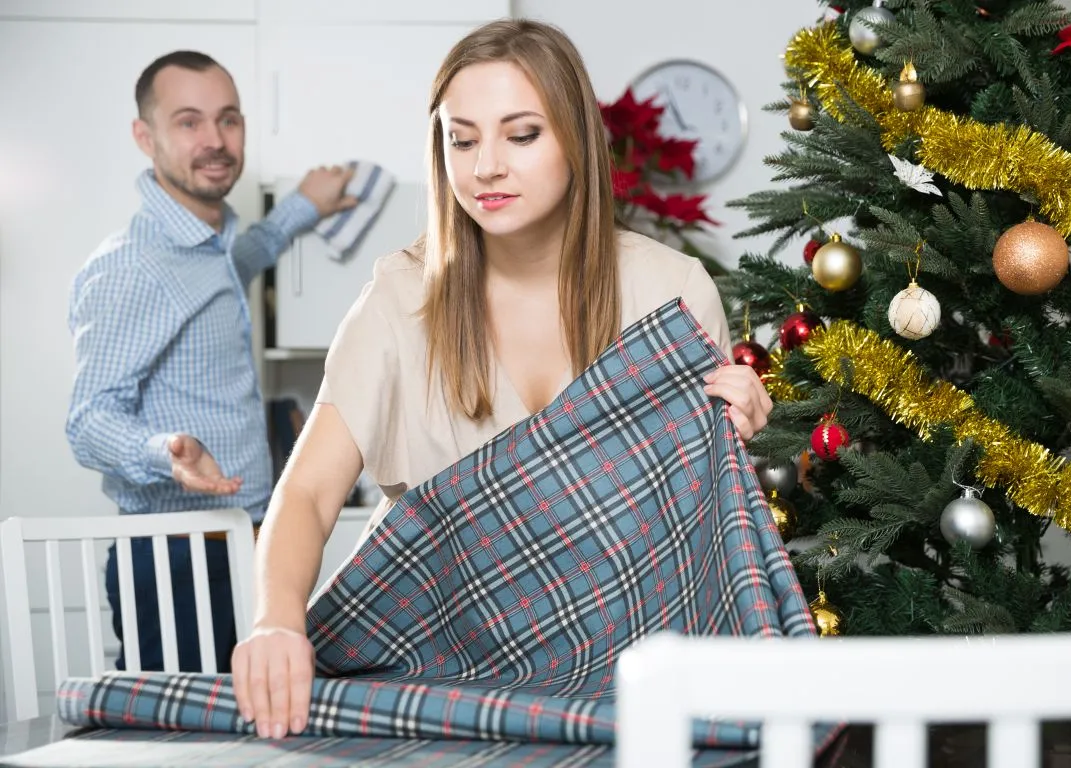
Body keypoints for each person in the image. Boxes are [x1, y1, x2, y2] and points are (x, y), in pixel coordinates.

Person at [229, 19, 773, 740]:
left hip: (624, 690)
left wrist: (733, 431)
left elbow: (696, 536)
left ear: (575, 139)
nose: (485, 166)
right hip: (434, 689)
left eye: (521, 135)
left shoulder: (670, 292)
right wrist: (274, 622)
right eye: (461, 138)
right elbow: (305, 491)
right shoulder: (398, 300)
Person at [65, 50, 359, 675]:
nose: (215, 141)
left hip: (245, 537)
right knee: (187, 738)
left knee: (255, 723)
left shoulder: (213, 245)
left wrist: (303, 205)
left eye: (228, 120)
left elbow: (245, 259)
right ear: (145, 136)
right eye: (189, 122)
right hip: (174, 552)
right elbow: (86, 420)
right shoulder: (131, 266)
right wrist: (165, 450)